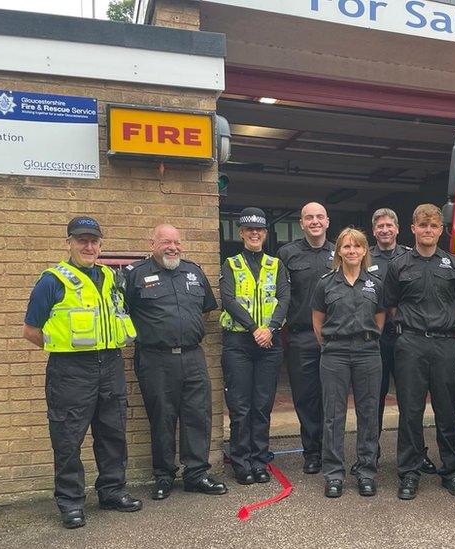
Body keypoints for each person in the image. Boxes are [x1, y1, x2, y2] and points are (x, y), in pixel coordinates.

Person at [22, 216, 142, 529]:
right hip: (71, 370)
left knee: (113, 432)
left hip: (111, 364)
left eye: (94, 241)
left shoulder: (110, 276)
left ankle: (113, 491)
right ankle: (71, 502)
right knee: (67, 438)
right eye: (81, 240)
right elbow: (31, 330)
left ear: (101, 244)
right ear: (69, 243)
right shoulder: (52, 280)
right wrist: (60, 348)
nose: (88, 246)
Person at [123, 224, 227, 500]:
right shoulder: (135, 275)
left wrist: (184, 334)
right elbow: (123, 313)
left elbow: (205, 311)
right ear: (152, 244)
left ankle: (196, 474)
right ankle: (164, 476)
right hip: (155, 359)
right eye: (166, 242)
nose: (173, 247)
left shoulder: (193, 271)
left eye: (177, 242)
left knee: (198, 416)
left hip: (193, 356)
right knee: (162, 418)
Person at [382, 203, 455, 500]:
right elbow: (391, 306)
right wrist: (415, 329)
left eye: (433, 226)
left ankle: (451, 471)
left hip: (445, 343)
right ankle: (409, 472)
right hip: (410, 344)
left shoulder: (454, 265)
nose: (428, 231)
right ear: (413, 228)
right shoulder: (399, 265)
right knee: (410, 410)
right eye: (423, 225)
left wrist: (441, 328)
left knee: (446, 410)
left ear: (441, 230)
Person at [311, 228, 385, 498]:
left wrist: (366, 339)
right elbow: (318, 321)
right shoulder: (325, 283)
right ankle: (333, 474)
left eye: (357, 246)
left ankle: (366, 471)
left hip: (367, 352)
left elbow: (379, 318)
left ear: (365, 251)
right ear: (338, 251)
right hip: (335, 353)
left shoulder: (375, 283)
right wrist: (331, 345)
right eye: (346, 246)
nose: (352, 251)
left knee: (368, 414)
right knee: (333, 415)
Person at [219, 208, 290, 485]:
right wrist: (254, 328)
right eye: (250, 229)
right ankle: (240, 461)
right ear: (241, 233)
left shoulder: (276, 264)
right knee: (240, 406)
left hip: (269, 343)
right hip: (239, 341)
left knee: (262, 405)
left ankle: (259, 461)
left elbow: (284, 299)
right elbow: (229, 300)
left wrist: (269, 329)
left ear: (265, 233)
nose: (255, 233)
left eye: (259, 229)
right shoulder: (231, 264)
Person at [368, 208, 437, 474]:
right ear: (374, 231)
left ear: (398, 229)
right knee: (374, 398)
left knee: (411, 399)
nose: (385, 230)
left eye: (389, 225)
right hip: (376, 340)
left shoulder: (412, 255)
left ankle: (418, 454)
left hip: (407, 337)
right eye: (380, 226)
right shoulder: (365, 256)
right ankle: (370, 454)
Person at [278, 202, 334, 474]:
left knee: (331, 396)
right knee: (305, 397)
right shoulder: (287, 254)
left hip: (334, 338)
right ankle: (312, 452)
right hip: (301, 337)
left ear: (327, 222)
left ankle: (331, 451)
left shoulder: (340, 252)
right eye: (309, 217)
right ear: (301, 223)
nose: (314, 221)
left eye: (319, 217)